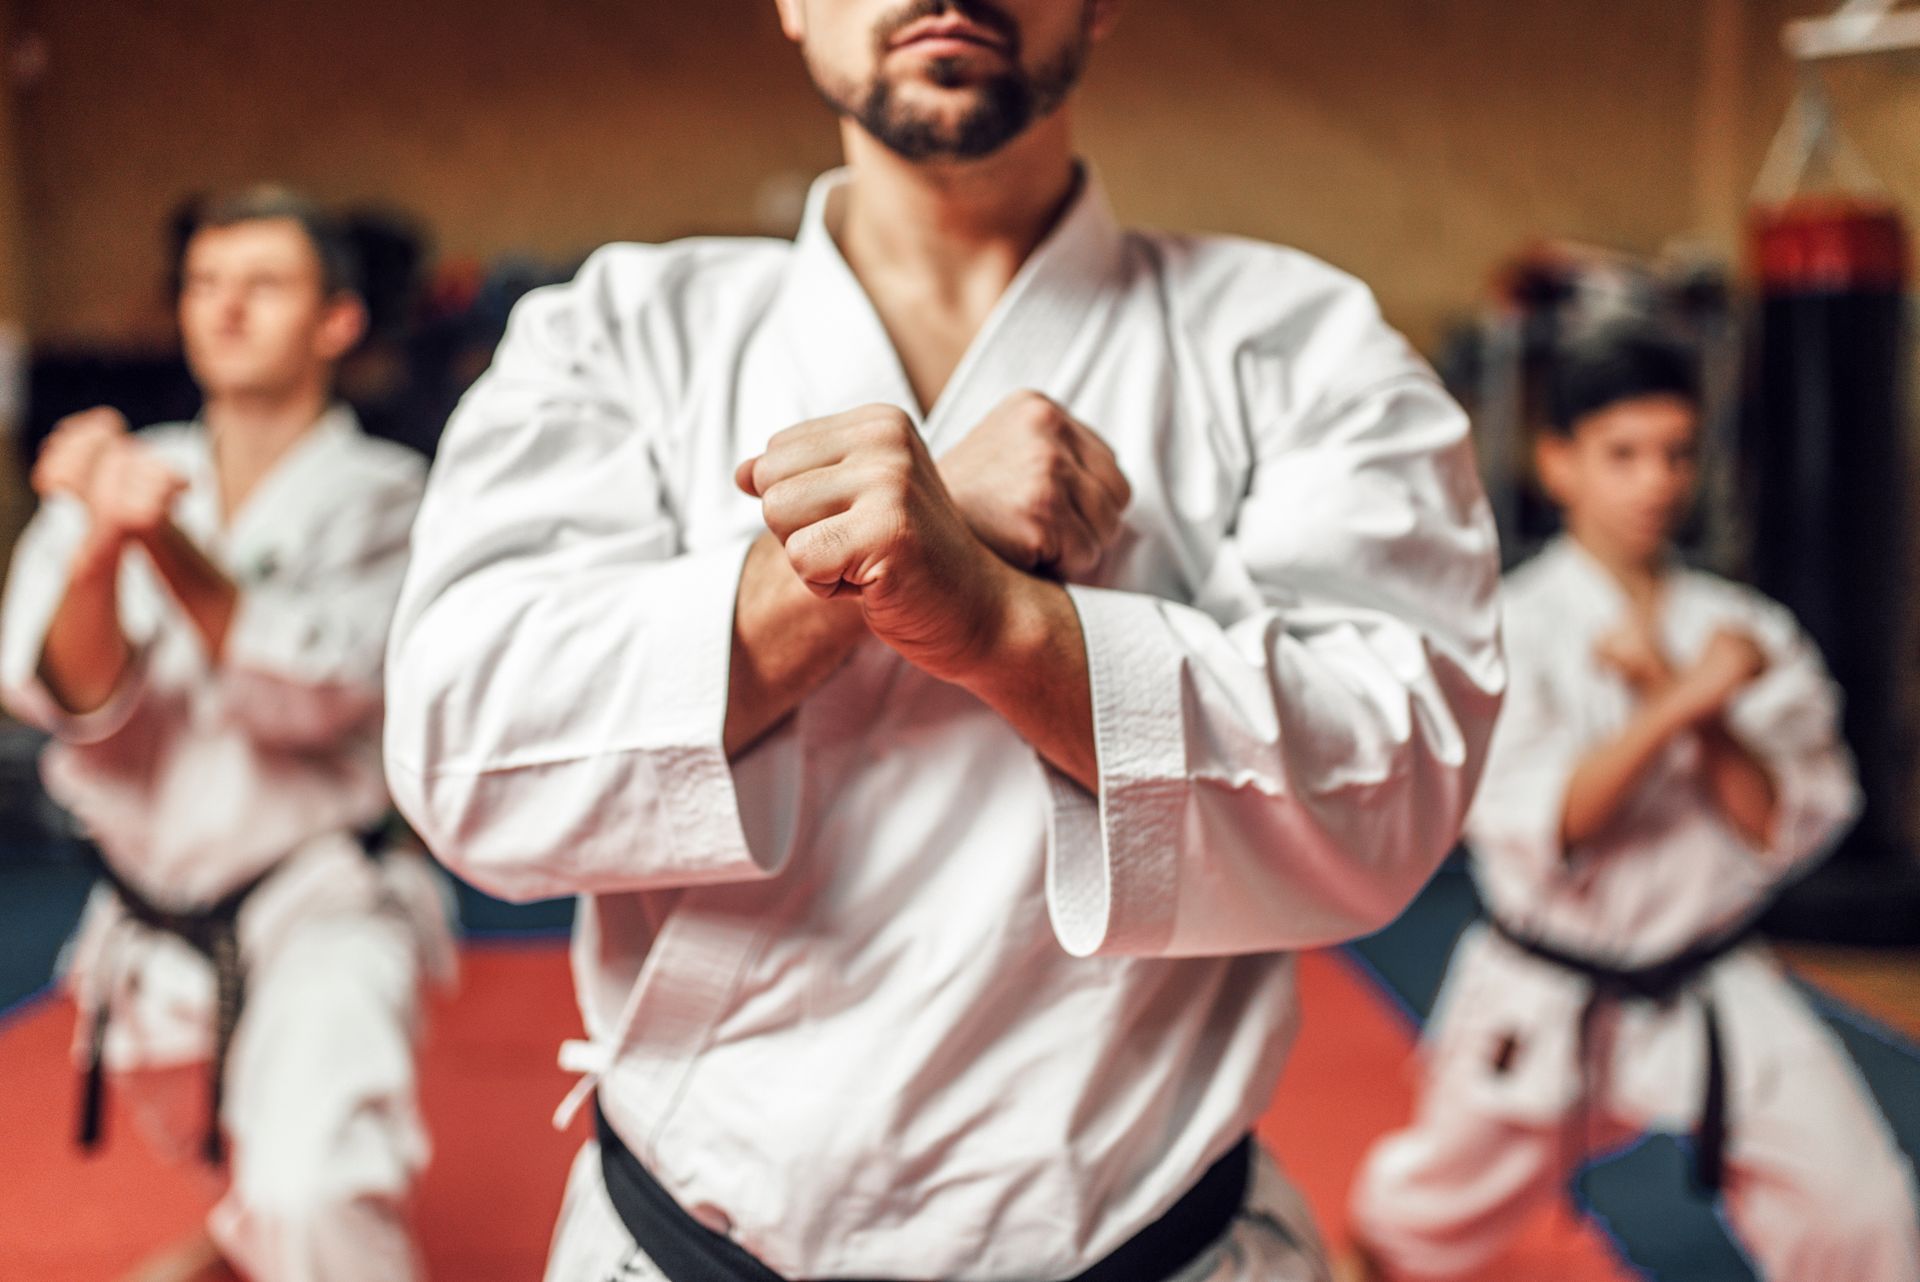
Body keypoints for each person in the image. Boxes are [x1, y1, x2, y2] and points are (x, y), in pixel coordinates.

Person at [385, 2, 1504, 1278]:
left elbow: (1390, 792)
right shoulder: (620, 336)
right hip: (684, 1244)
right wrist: (869, 558)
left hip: (1156, 1245)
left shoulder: (1300, 346)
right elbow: (464, 753)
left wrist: (1004, 625)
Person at [1347, 323, 1920, 1281]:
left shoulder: (1742, 629)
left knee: (1866, 1217)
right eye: (1623, 454)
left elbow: (1775, 823)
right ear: (1558, 462)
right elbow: (1559, 824)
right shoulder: (1508, 630)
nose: (1656, 481)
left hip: (1709, 984)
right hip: (1543, 990)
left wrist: (1699, 707)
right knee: (1422, 1218)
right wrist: (1683, 697)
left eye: (1676, 453)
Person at [1, 187, 450, 1282]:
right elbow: (69, 698)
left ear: (336, 322)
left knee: (315, 1195)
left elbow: (319, 691)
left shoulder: (394, 497)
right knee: (246, 1159)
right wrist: (103, 542)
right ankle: (231, 1227)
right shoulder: (122, 470)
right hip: (151, 913)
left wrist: (160, 536)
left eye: (263, 285)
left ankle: (262, 1223)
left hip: (321, 901)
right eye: (205, 285)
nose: (225, 310)